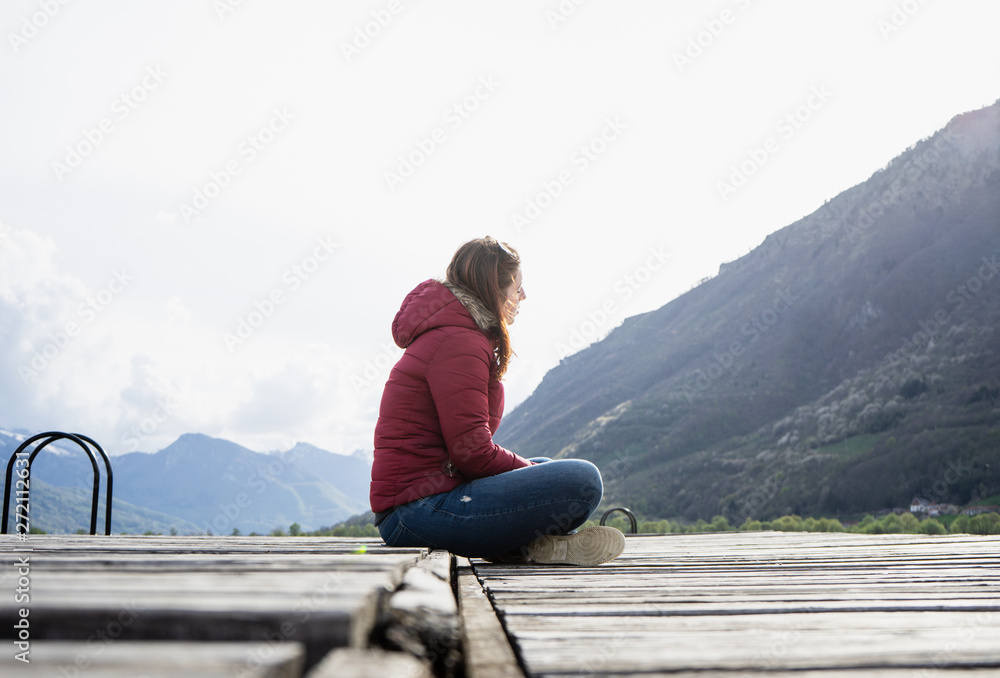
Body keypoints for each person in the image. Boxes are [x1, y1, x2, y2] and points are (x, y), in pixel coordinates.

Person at [370, 236, 625, 566]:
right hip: (415, 513)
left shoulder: (457, 334)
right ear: (495, 288)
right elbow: (473, 454)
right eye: (517, 287)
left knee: (547, 467)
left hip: (421, 503)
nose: (522, 296)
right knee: (581, 480)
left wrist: (531, 471)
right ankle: (531, 544)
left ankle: (532, 547)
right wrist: (527, 471)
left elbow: (468, 454)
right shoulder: (459, 342)